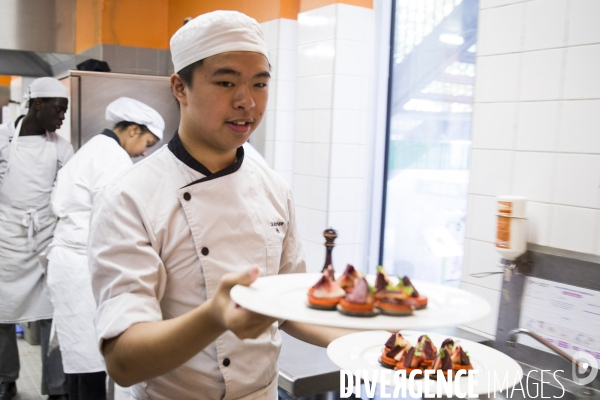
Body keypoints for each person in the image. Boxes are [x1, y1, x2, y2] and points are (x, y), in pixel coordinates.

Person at [88, 10, 351, 400]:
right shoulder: (131, 197)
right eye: (226, 82)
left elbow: (291, 305)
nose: (247, 102)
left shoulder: (273, 189)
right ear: (180, 87)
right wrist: (214, 317)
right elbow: (124, 362)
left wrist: (377, 339)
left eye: (260, 84)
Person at [47, 97, 163, 400]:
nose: (146, 152)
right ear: (134, 130)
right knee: (88, 357)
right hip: (80, 264)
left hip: (70, 261)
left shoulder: (95, 148)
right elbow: (115, 218)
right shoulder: (113, 158)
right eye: (147, 142)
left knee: (79, 353)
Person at [0, 77, 72, 400]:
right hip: (6, 238)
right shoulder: (3, 141)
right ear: (38, 104)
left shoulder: (61, 147)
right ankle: (6, 379)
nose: (62, 118)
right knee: (2, 313)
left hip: (45, 236)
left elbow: (69, 191)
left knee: (50, 314)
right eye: (59, 110)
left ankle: (56, 388)